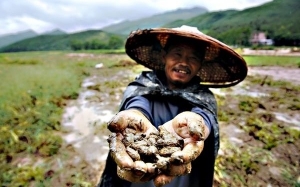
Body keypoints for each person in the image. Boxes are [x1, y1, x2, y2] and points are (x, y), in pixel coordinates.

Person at [98, 25, 248, 187]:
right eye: (177, 54)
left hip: (181, 175)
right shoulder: (142, 85)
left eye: (194, 58)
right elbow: (137, 103)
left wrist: (197, 125)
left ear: (200, 65)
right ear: (164, 56)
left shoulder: (204, 96)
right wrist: (136, 115)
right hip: (139, 175)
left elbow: (204, 116)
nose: (183, 62)